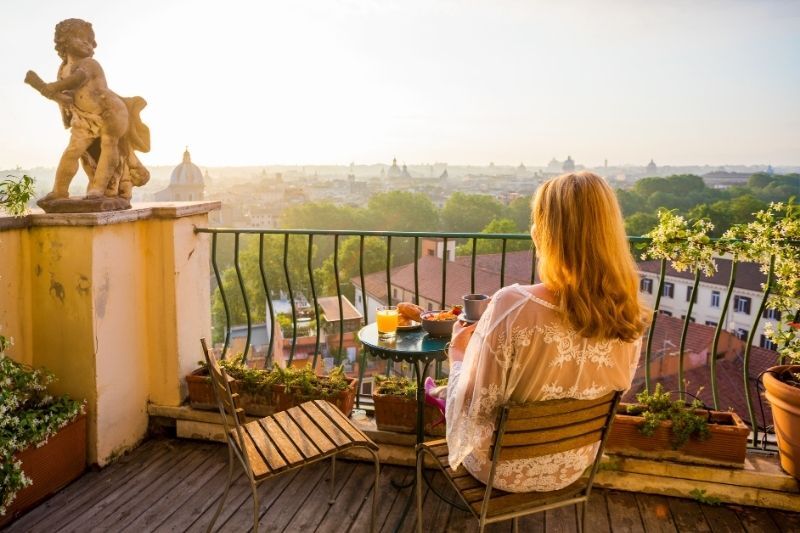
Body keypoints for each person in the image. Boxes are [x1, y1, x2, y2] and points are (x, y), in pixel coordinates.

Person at [436, 171, 647, 493]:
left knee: (448, 390)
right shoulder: (627, 308)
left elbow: (474, 408)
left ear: (546, 232)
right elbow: (618, 387)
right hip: (574, 465)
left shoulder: (513, 304)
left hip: (499, 470)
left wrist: (458, 355)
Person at [25, 18, 150, 201]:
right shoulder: (62, 70)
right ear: (64, 41)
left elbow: (78, 80)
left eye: (91, 41)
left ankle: (97, 189)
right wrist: (52, 94)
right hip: (84, 118)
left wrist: (51, 87)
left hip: (111, 112)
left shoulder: (90, 64)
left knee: (109, 146)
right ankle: (59, 190)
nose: (89, 44)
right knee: (72, 151)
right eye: (82, 38)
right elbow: (68, 98)